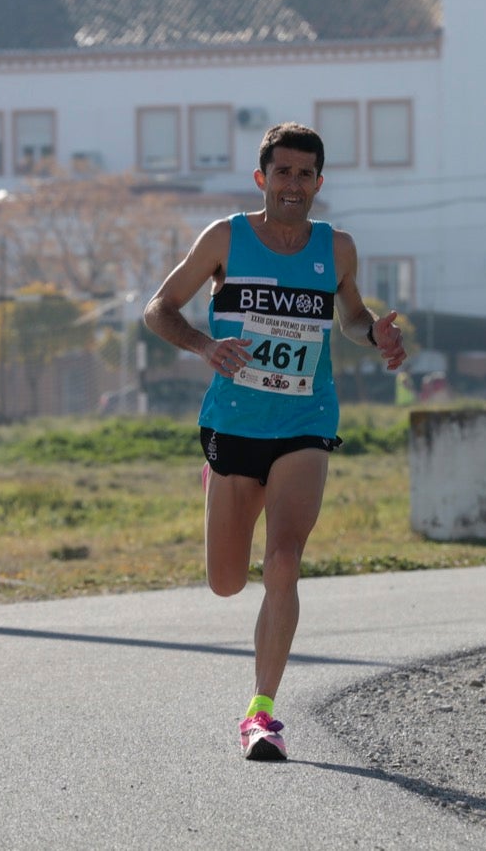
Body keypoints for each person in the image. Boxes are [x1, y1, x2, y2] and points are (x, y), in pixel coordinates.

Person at [143, 121, 406, 761]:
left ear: (320, 181)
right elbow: (159, 308)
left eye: (305, 174)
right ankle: (220, 485)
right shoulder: (225, 238)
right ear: (262, 180)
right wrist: (206, 346)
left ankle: (262, 714)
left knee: (283, 561)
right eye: (281, 173)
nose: (294, 184)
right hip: (233, 424)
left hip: (305, 422)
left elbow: (349, 315)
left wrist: (376, 335)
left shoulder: (336, 248)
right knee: (227, 582)